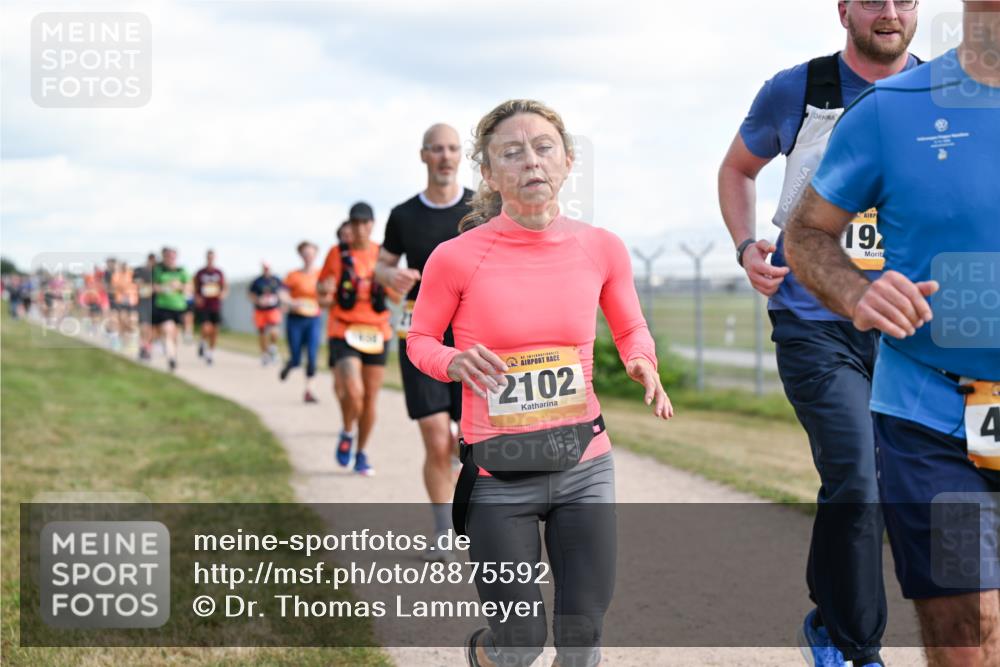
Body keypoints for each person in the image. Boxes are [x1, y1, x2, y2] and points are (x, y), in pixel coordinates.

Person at [407, 99, 672, 667]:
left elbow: (630, 326)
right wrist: (452, 363)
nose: (531, 160)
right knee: (520, 646)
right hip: (498, 475)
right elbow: (420, 340)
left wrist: (641, 359)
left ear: (567, 161)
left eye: (544, 147)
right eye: (512, 151)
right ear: (489, 173)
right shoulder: (455, 258)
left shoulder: (601, 247)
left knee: (582, 637)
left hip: (585, 465)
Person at [785, 3, 1000, 664]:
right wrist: (857, 290)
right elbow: (805, 233)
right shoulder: (892, 110)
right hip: (936, 420)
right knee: (972, 625)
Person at [717, 2, 922, 664]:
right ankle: (857, 644)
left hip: (907, 332)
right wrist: (747, 243)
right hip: (814, 323)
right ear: (843, 8)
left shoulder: (942, 93)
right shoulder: (798, 90)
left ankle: (826, 613)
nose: (889, 12)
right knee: (858, 479)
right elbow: (737, 169)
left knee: (876, 487)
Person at [375, 123, 474, 561]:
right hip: (421, 333)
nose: (445, 156)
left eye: (452, 149)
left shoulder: (480, 209)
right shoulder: (403, 215)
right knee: (436, 439)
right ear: (423, 156)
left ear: (461, 155)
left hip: (473, 336)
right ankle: (442, 532)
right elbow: (380, 265)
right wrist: (389, 276)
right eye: (437, 149)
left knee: (470, 441)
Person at [318, 203, 395, 477]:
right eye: (356, 223)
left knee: (370, 399)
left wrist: (399, 283)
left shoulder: (383, 255)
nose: (360, 228)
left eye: (366, 223)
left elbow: (396, 296)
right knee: (353, 392)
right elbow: (322, 293)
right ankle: (347, 431)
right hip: (344, 329)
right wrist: (325, 293)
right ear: (349, 225)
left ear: (373, 225)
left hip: (376, 332)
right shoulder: (337, 255)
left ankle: (361, 452)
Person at [280, 241, 323, 403]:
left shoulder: (321, 274)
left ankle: (308, 391)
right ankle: (291, 364)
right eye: (305, 254)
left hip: (313, 319)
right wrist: (291, 302)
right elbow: (282, 294)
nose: (308, 257)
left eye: (311, 254)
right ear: (301, 256)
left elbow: (327, 293)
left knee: (312, 356)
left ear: (315, 255)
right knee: (297, 357)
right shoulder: (293, 275)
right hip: (295, 319)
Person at [151, 247, 191, 372]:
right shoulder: (158, 270)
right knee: (168, 330)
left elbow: (189, 288)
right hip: (163, 306)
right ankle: (171, 358)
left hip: (179, 306)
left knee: (175, 335)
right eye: (167, 257)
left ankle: (173, 353)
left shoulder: (182, 270)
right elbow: (153, 287)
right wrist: (165, 287)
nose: (170, 259)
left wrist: (180, 286)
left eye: (172, 257)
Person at [194, 249, 227, 366]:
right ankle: (202, 342)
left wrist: (223, 294)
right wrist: (197, 297)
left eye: (212, 257)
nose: (210, 259)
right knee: (206, 328)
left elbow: (224, 287)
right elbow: (195, 287)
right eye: (209, 257)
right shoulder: (200, 273)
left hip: (215, 305)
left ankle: (210, 353)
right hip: (204, 305)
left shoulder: (219, 273)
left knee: (215, 330)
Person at [248, 262, 283, 366]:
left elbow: (282, 292)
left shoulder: (276, 280)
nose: (266, 270)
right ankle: (264, 355)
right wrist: (258, 300)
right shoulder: (257, 281)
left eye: (268, 268)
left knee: (274, 331)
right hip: (260, 311)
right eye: (265, 268)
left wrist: (282, 304)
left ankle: (273, 348)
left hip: (273, 309)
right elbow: (250, 294)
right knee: (262, 333)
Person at [133, 253, 157, 361]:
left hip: (155, 303)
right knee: (143, 326)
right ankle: (143, 346)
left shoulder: (158, 272)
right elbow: (136, 281)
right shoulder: (140, 270)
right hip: (143, 302)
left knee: (152, 328)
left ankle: (147, 348)